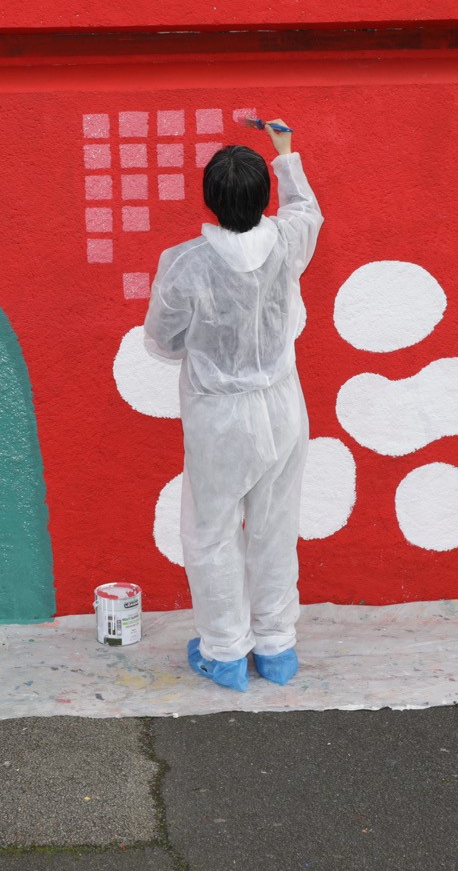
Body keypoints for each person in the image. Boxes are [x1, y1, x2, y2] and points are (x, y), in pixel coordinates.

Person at [143, 119, 322, 691]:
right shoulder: (287, 244)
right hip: (282, 407)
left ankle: (224, 653)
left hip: (218, 417)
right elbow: (307, 213)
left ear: (210, 200)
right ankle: (276, 648)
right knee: (275, 525)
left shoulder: (186, 264)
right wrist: (285, 155)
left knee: (212, 529)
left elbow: (163, 340)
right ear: (262, 197)